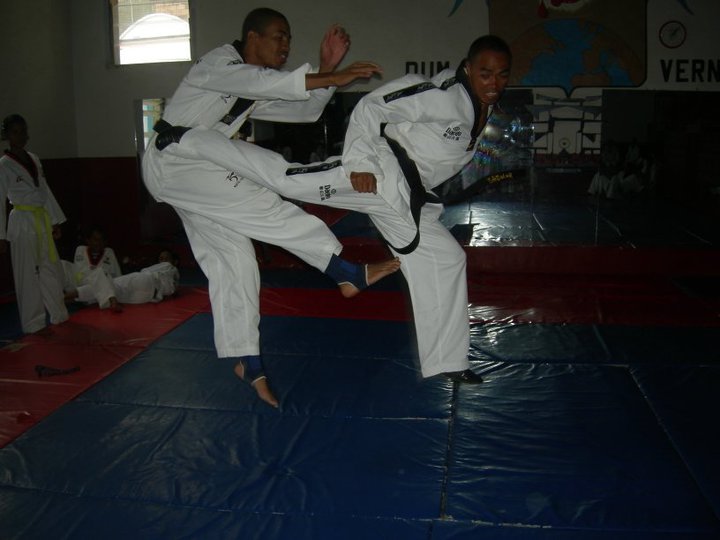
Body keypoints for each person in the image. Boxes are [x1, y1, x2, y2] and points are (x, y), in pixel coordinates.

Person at [164, 35, 513, 384]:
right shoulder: (442, 95)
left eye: (501, 75)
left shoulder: (482, 109)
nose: (493, 83)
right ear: (468, 68)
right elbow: (372, 105)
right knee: (287, 180)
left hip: (406, 197)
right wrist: (360, 163)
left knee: (447, 258)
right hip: (377, 174)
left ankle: (448, 360)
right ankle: (189, 140)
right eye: (485, 73)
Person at [142, 8, 400, 408]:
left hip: (192, 170)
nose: (286, 46)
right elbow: (261, 81)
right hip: (174, 159)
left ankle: (248, 360)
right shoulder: (218, 64)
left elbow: (303, 109)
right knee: (262, 199)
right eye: (279, 36)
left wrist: (328, 69)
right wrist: (333, 76)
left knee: (236, 262)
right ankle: (344, 271)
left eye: (289, 39)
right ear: (252, 37)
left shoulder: (252, 86)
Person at [0, 114, 69, 334]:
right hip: (21, 220)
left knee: (50, 267)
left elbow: (44, 191)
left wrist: (55, 220)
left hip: (41, 219)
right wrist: (1, 236)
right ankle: (33, 322)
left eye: (23, 131)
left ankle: (59, 313)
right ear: (6, 135)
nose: (21, 136)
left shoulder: (34, 158)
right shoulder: (4, 165)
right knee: (27, 273)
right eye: (15, 132)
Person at [64, 249, 180, 311]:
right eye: (161, 259)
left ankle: (67, 296)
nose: (162, 261)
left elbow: (145, 270)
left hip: (145, 281)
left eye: (166, 258)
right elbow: (171, 290)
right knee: (107, 289)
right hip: (147, 298)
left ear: (174, 261)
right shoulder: (174, 281)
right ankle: (66, 298)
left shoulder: (169, 266)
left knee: (100, 275)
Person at [62, 225, 123, 311]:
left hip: (99, 287)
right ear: (88, 240)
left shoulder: (109, 253)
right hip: (80, 282)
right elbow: (77, 271)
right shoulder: (80, 250)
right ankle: (67, 296)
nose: (98, 243)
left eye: (101, 240)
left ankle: (67, 298)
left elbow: (118, 276)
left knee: (100, 273)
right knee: (63, 264)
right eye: (95, 240)